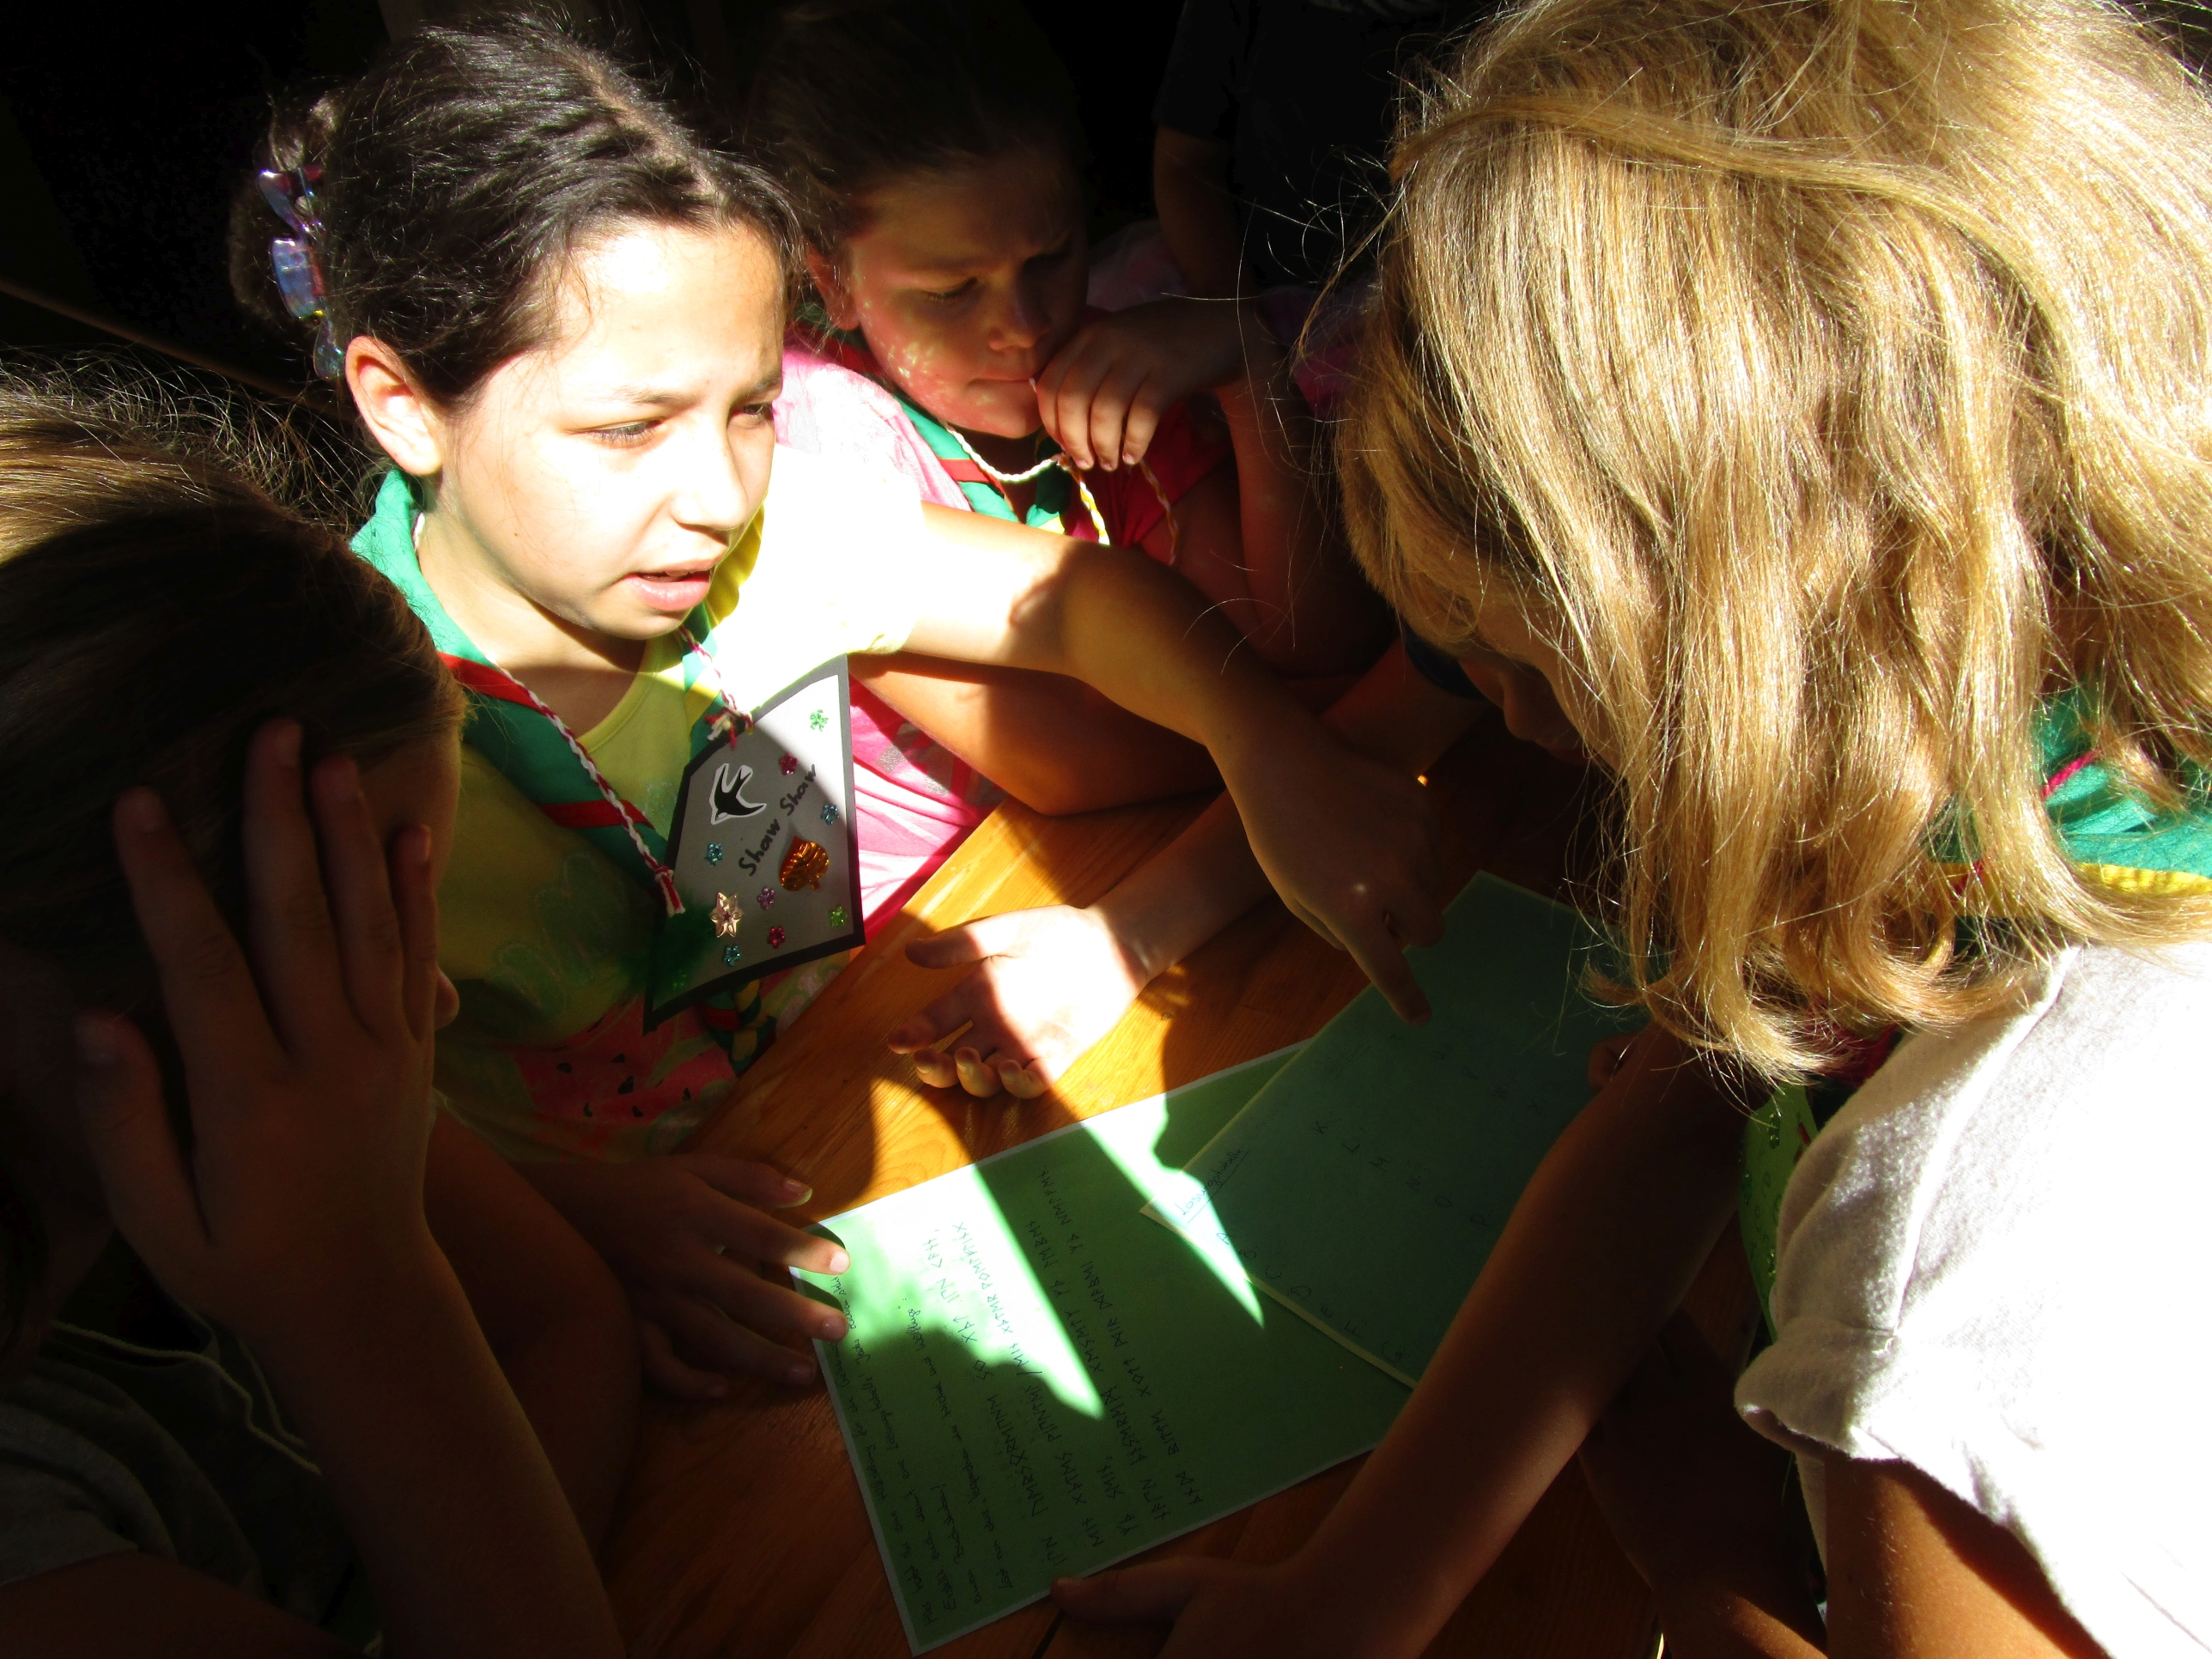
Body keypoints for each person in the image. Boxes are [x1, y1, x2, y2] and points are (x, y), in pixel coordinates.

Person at [1045, 1, 2212, 1655]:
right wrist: (1349, 1592)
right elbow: (1690, 1095)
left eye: (1541, 671)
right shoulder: (2048, 721)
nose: (1523, 732)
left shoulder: (1942, 1285)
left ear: (1786, 636)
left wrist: (1711, 1560)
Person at [232, 20, 1440, 1400]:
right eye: (629, 429)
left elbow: (1080, 604)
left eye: (750, 408)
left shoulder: (763, 540)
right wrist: (583, 1221)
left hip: (842, 1133)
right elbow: (298, 1157)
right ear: (402, 405)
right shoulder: (331, 752)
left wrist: (1264, 743)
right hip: (601, 1312)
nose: (715, 493)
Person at [0, 376, 635, 1657]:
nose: (429, 1005)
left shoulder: (253, 1099)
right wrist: (356, 1287)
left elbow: (569, 1318)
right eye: (353, 944)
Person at [747, 0, 1390, 887]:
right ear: (834, 283)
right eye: (951, 291)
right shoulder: (807, 440)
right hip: (877, 914)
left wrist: (1247, 370)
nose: (1022, 324)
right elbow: (1061, 760)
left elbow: (1306, 639)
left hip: (1072, 857)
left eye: (1049, 257)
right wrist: (1319, 730)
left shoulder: (1097, 365)